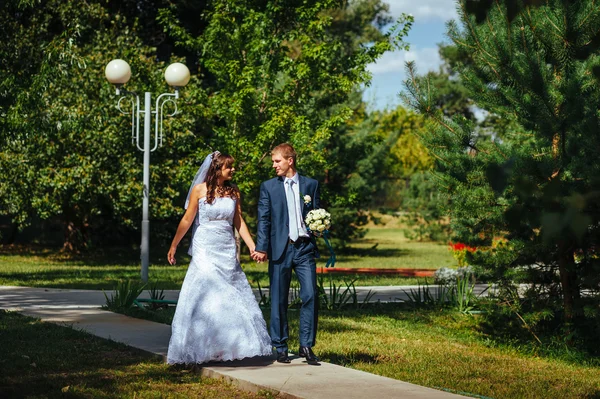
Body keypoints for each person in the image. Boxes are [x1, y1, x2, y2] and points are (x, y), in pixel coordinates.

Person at [166, 151, 271, 365]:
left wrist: (253, 247)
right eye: (228, 167)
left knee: (228, 294)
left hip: (225, 246)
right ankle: (201, 346)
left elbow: (238, 221)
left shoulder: (234, 191)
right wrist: (174, 245)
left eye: (232, 167)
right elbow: (187, 220)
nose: (233, 170)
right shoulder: (199, 190)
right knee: (209, 289)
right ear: (217, 168)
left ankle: (227, 346)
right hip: (204, 246)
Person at [253, 143, 321, 365]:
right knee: (279, 299)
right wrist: (261, 247)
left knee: (310, 294)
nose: (274, 165)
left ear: (290, 160)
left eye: (277, 161)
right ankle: (280, 346)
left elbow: (316, 212)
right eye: (273, 161)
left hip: (304, 248)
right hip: (280, 249)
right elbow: (264, 219)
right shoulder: (268, 187)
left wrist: (319, 228)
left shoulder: (310, 185)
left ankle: (306, 345)